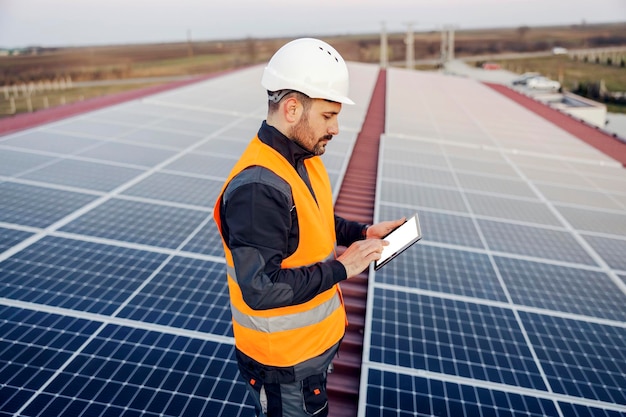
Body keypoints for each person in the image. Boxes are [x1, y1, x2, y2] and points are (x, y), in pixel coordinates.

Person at [213, 37, 405, 417]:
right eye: (328, 115)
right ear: (292, 108)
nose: (336, 128)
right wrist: (343, 268)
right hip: (285, 365)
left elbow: (313, 221)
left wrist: (361, 232)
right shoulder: (257, 188)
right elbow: (260, 290)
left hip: (310, 350)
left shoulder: (303, 157)